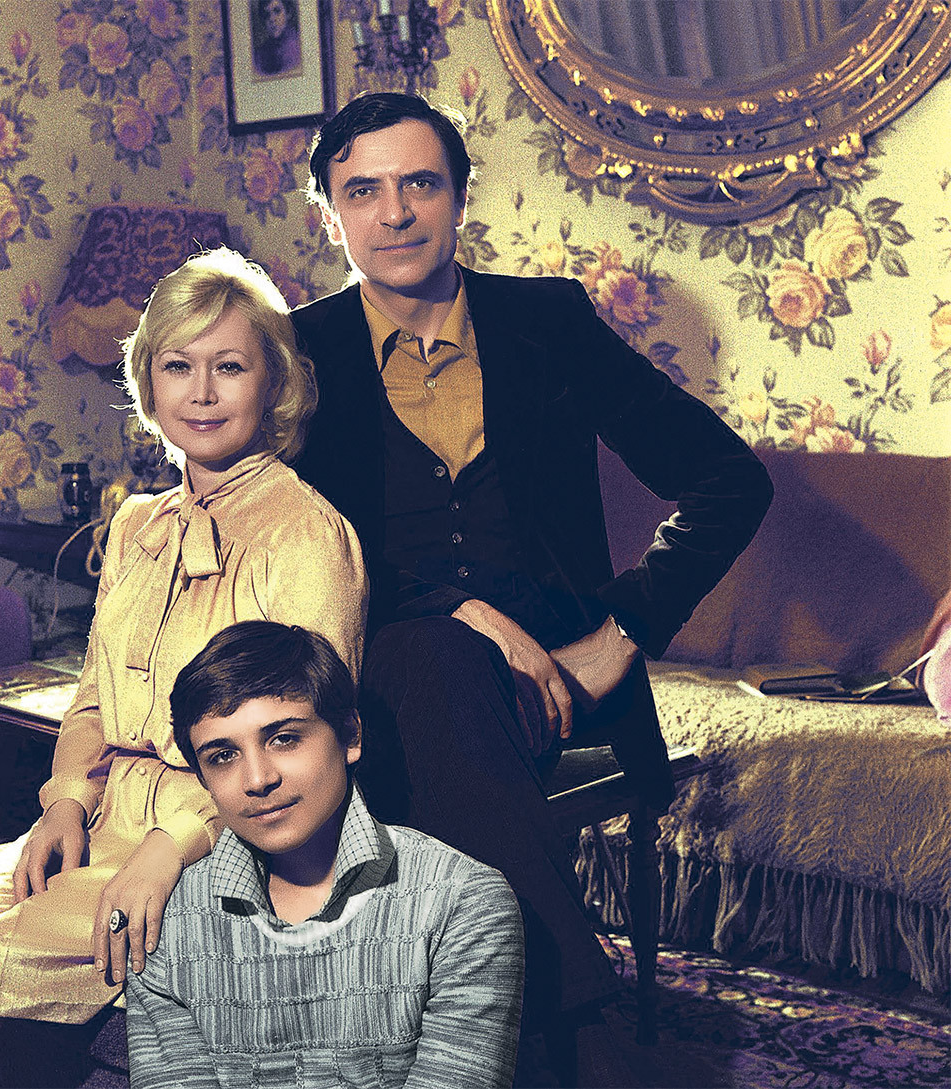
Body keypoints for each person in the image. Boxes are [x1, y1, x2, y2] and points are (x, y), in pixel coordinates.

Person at [290, 92, 774, 1084]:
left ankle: (511, 1030)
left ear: (460, 198)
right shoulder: (298, 349)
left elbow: (731, 479)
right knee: (435, 659)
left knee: (443, 691)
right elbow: (285, 536)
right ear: (330, 216)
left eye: (420, 183)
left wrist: (623, 629)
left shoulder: (546, 322)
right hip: (389, 662)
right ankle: (577, 1031)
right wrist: (462, 610)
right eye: (363, 191)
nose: (394, 212)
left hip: (561, 671)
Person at [0, 249, 368, 1089]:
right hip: (109, 817)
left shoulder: (306, 533)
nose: (202, 391)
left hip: (228, 843)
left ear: (275, 383)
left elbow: (297, 748)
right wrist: (65, 800)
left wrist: (169, 846)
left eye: (229, 366)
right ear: (149, 383)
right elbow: (92, 698)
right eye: (178, 366)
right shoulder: (136, 526)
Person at [126, 620, 525, 1089]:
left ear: (350, 735)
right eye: (223, 756)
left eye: (284, 738)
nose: (258, 779)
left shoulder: (462, 903)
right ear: (202, 779)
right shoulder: (167, 923)